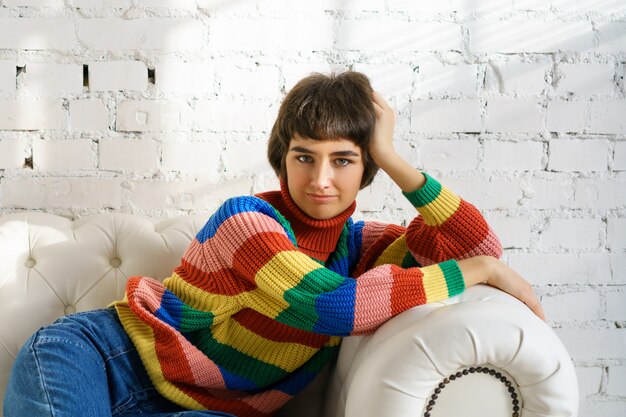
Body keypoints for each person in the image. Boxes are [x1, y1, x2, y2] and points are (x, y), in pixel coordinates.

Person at [3, 71, 544, 417]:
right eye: (305, 156)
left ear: (366, 168)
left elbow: (477, 244)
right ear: (283, 160)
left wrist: (397, 161)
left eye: (345, 159)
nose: (321, 180)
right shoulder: (247, 220)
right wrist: (478, 273)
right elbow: (328, 305)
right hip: (99, 358)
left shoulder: (362, 249)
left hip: (208, 408)